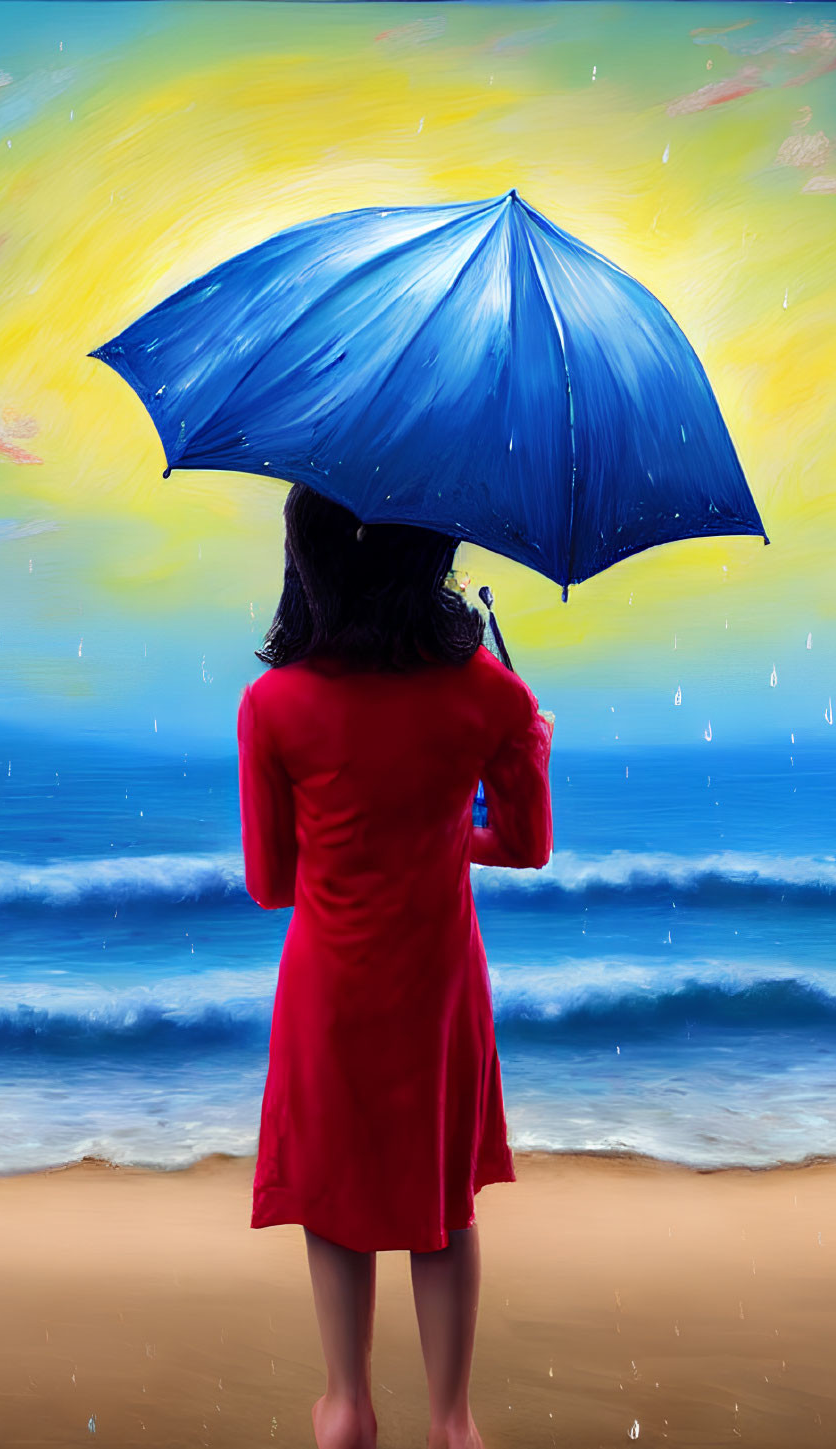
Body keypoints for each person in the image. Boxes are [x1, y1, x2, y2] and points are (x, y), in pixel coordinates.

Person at [237, 481, 554, 1449]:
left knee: (336, 1198)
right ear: (433, 554)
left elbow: (272, 882)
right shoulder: (490, 695)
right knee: (442, 1201)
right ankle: (453, 1421)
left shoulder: (272, 705)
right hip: (439, 990)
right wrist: (521, 750)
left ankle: (345, 1407)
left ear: (312, 561)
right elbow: (526, 845)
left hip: (330, 992)